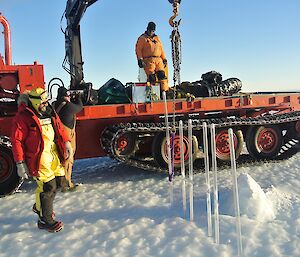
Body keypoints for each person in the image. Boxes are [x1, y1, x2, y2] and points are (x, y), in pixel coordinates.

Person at [11, 88, 72, 233]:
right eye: (42, 102)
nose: (45, 104)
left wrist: (67, 142)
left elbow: (59, 127)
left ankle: (40, 206)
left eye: (46, 101)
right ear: (34, 101)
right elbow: (17, 140)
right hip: (39, 158)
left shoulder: (49, 111)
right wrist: (20, 162)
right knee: (48, 187)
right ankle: (46, 220)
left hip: (54, 154)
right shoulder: (23, 117)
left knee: (58, 182)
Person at [54, 87, 83, 191]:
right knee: (68, 159)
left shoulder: (55, 104)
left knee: (60, 158)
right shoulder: (68, 106)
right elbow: (79, 107)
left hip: (59, 134)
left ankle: (59, 181)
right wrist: (78, 98)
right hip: (67, 135)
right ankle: (66, 184)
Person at [135, 21, 169, 92]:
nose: (151, 32)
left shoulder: (157, 38)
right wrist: (140, 59)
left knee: (162, 75)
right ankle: (154, 94)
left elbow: (161, 49)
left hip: (158, 60)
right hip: (148, 61)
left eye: (153, 30)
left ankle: (164, 93)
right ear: (147, 29)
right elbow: (138, 49)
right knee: (152, 78)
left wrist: (164, 59)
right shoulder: (142, 38)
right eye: (150, 30)